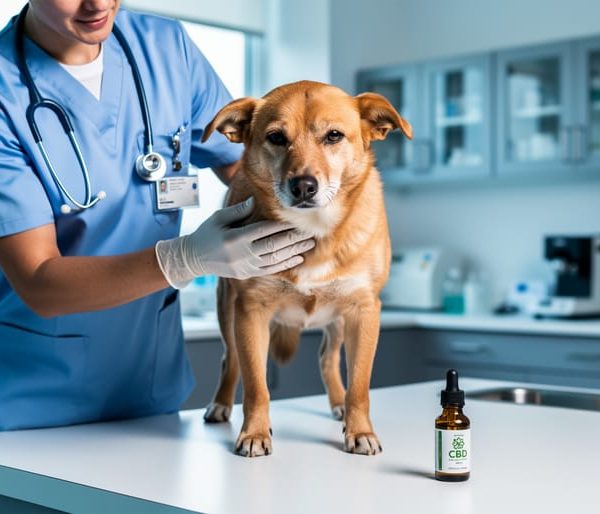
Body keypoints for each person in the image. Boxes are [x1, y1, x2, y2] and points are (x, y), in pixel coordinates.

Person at [0, 0, 315, 431]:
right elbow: (37, 282)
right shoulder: (5, 92)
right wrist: (184, 259)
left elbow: (248, 167)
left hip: (149, 394)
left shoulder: (165, 48)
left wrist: (313, 207)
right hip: (32, 407)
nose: (97, 4)